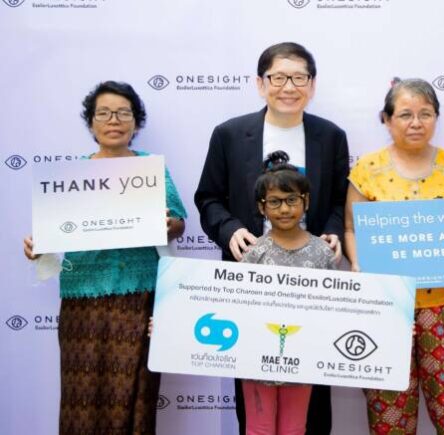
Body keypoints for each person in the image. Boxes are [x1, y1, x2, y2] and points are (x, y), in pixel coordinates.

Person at [194, 42, 348, 434]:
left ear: (312, 85)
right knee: (255, 396)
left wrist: (332, 233)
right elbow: (208, 198)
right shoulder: (229, 134)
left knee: (312, 394)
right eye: (278, 77)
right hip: (251, 279)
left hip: (312, 280)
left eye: (299, 78)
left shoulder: (331, 136)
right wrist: (230, 230)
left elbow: (339, 200)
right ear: (260, 83)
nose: (288, 87)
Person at [23, 81, 187, 435]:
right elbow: (52, 237)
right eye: (104, 113)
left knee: (135, 394)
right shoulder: (69, 177)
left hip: (139, 295)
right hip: (83, 298)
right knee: (81, 394)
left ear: (136, 122)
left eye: (123, 113)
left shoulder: (152, 170)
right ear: (91, 123)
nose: (114, 120)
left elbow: (178, 224)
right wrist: (38, 247)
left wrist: (167, 224)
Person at [344, 78, 444, 434]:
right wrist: (357, 264)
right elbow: (351, 229)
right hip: (386, 308)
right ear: (387, 119)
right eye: (405, 114)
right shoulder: (368, 170)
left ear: (436, 117)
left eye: (425, 114)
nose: (416, 123)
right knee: (390, 418)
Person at [240, 150, 336, 435]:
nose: (284, 209)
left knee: (294, 428)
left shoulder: (322, 252)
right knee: (259, 429)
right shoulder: (254, 253)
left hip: (303, 358)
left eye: (292, 200)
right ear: (262, 207)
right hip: (257, 359)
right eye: (274, 202)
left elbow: (336, 307)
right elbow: (235, 305)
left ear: (306, 201)